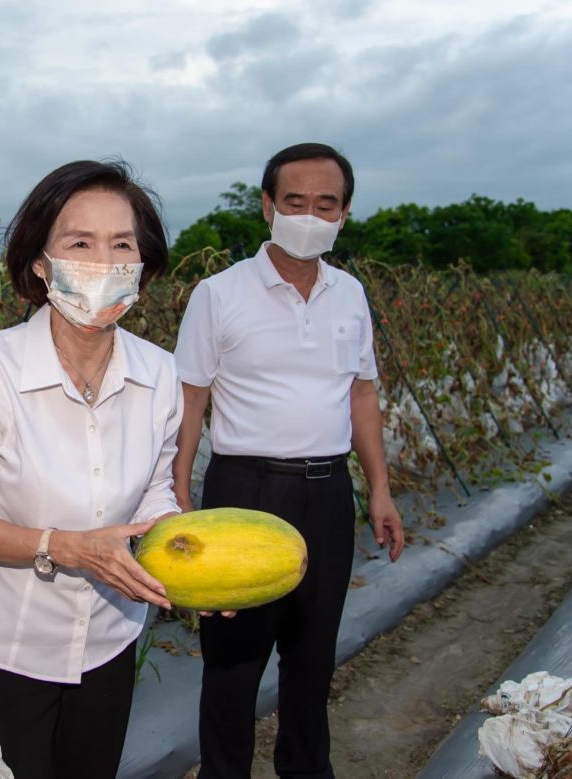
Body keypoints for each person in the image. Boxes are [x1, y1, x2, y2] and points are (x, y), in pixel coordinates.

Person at [0, 160, 181, 778]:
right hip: (4, 645)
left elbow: (156, 491)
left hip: (109, 636)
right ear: (41, 262)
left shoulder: (160, 374)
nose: (103, 260)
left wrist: (196, 561)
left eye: (122, 243)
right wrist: (62, 547)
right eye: (79, 243)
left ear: (142, 260)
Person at [172, 142, 405, 779]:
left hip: (329, 491)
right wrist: (178, 499)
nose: (309, 214)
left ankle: (306, 769)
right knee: (233, 663)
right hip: (245, 491)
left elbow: (362, 392)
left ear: (344, 213)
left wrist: (378, 488)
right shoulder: (219, 295)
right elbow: (190, 401)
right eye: (294, 201)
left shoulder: (350, 294)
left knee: (312, 656)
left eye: (324, 204)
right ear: (268, 207)